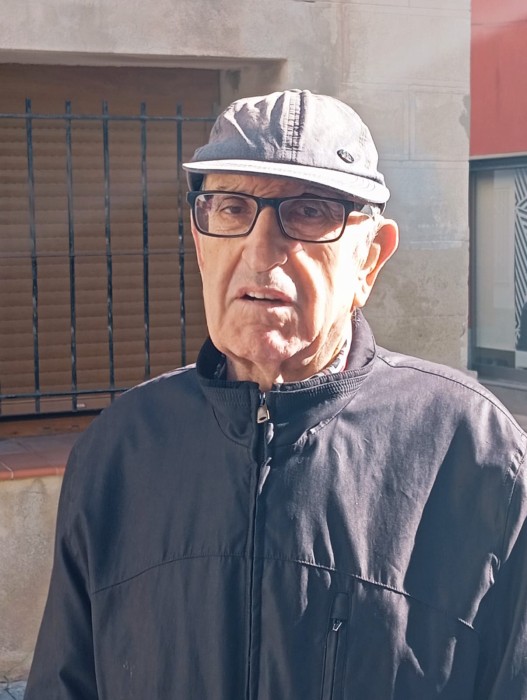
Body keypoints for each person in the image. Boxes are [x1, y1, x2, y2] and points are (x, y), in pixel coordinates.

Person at [25, 89, 527, 699]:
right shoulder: (121, 449)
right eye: (231, 208)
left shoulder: (475, 454)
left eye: (310, 211)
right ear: (201, 242)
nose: (261, 253)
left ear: (370, 259)